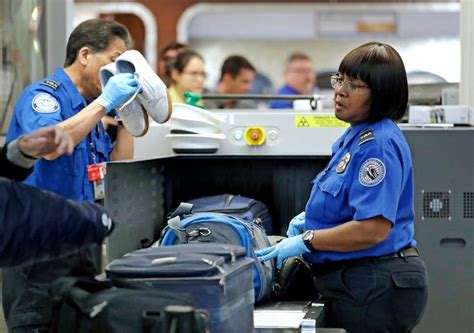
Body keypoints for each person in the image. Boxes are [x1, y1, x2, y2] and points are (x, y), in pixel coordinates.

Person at [257, 42, 428, 333]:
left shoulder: (378, 146)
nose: (340, 91)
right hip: (357, 281)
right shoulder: (354, 138)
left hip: (374, 283)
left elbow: (372, 229)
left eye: (355, 85)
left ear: (382, 94)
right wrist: (309, 220)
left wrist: (309, 239)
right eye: (340, 80)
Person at [3, 18, 138, 332]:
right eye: (115, 62)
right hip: (37, 252)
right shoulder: (44, 96)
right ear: (86, 55)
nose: (118, 74)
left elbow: (118, 166)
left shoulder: (90, 109)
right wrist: (105, 103)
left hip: (80, 246)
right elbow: (49, 146)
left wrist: (130, 114)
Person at [1, 126, 115, 267]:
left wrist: (18, 155)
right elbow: (10, 220)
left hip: (66, 236)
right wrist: (94, 219)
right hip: (47, 245)